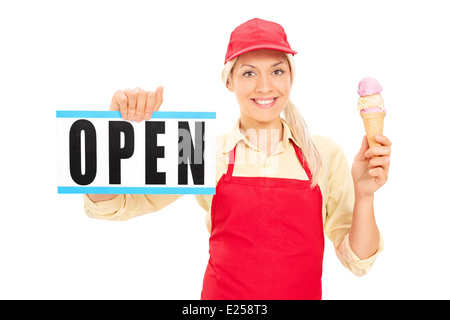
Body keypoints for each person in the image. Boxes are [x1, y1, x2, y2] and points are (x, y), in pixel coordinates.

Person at [84, 18, 392, 300]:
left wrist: (364, 195)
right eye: (248, 73)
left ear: (290, 78)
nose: (264, 86)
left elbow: (358, 260)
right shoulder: (200, 150)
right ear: (229, 81)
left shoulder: (323, 154)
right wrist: (111, 133)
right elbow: (113, 203)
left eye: (277, 71)